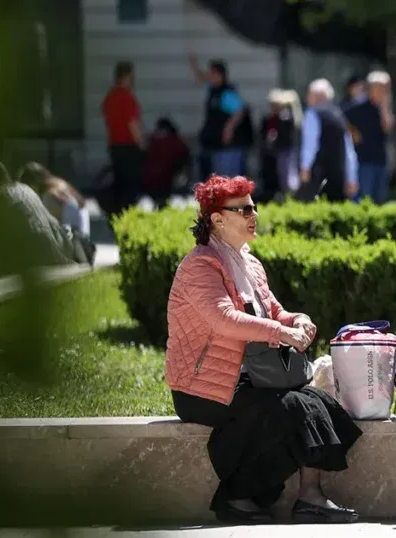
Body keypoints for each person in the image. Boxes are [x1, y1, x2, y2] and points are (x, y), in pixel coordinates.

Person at [165, 174, 362, 524]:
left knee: (317, 400)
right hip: (203, 388)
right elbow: (223, 319)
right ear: (217, 219)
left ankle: (310, 497)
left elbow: (275, 312)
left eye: (253, 206)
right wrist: (281, 333)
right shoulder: (199, 265)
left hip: (248, 380)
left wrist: (298, 320)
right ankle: (237, 497)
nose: (253, 214)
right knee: (291, 407)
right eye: (243, 209)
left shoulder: (250, 264)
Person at [189, 54, 254, 177]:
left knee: (229, 180)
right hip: (217, 146)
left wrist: (228, 128)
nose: (210, 76)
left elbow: (240, 111)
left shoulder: (226, 93)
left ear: (221, 75)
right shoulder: (214, 90)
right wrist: (194, 63)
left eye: (213, 74)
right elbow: (200, 78)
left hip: (229, 147)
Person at [299, 78, 360, 202]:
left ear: (316, 96)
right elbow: (349, 151)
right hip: (339, 175)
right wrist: (352, 178)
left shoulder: (312, 113)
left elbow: (310, 144)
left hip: (318, 174)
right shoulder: (339, 115)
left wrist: (305, 167)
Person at [100, 61, 144, 217]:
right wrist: (142, 145)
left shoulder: (109, 97)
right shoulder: (128, 98)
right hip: (129, 147)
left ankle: (117, 215)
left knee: (119, 182)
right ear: (127, 77)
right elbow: (132, 124)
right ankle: (128, 217)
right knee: (130, 187)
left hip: (114, 146)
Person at [344, 71, 394, 204]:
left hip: (381, 160)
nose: (384, 91)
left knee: (380, 200)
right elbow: (342, 120)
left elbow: (388, 127)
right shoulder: (358, 105)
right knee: (364, 199)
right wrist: (353, 134)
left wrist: (384, 107)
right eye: (381, 88)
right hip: (363, 160)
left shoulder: (383, 107)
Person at [16, 161, 90, 237]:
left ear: (33, 183)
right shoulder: (60, 185)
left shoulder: (50, 195)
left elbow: (47, 227)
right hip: (83, 238)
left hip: (74, 241)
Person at [142, 118, 191, 210]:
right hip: (167, 180)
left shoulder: (152, 141)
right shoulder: (177, 142)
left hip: (150, 180)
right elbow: (186, 158)